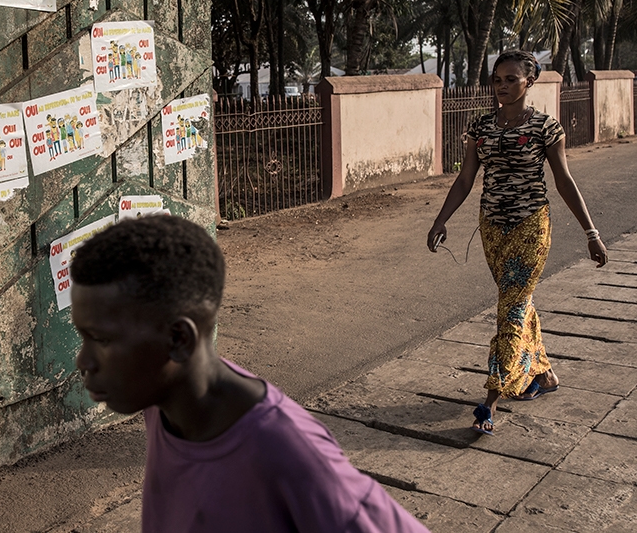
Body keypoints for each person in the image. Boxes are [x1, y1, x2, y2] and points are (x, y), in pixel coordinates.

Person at [71, 215, 428, 533]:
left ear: (178, 339)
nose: (83, 360)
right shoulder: (160, 400)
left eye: (100, 339)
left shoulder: (287, 450)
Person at [427, 50, 608, 436]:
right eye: (497, 79)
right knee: (518, 301)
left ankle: (491, 401)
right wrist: (441, 220)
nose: (503, 87)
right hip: (492, 227)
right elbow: (465, 180)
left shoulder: (546, 127)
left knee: (509, 309)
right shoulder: (480, 127)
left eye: (511, 79)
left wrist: (591, 233)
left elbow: (563, 180)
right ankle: (544, 375)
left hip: (531, 227)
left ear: (530, 81)